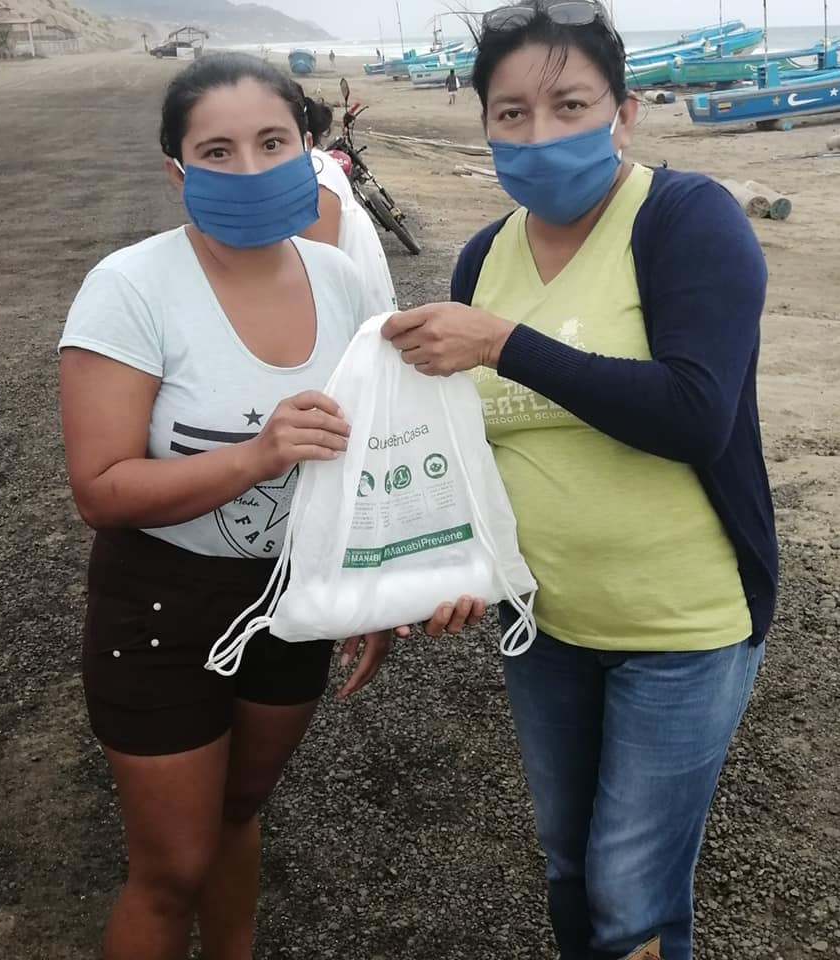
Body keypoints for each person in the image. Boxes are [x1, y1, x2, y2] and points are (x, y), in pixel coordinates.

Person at [59, 52, 483, 960]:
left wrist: (375, 589)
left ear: (307, 149)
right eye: (216, 151)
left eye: (271, 142)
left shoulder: (339, 279)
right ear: (177, 170)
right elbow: (100, 489)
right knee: (171, 867)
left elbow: (367, 454)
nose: (248, 168)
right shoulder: (129, 287)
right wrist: (256, 456)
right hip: (162, 602)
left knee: (240, 811)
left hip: (294, 598)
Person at [381, 3, 778, 959]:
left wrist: (506, 343)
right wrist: (442, 570)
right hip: (541, 623)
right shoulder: (484, 255)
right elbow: (468, 445)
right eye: (510, 113)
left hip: (680, 627)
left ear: (623, 114)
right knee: (567, 861)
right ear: (484, 125)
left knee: (632, 889)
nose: (538, 134)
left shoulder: (687, 218)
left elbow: (694, 413)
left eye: (569, 106)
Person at [296, 86, 398, 315]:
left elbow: (319, 279)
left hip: (347, 318)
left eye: (271, 143)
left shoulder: (316, 176)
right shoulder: (318, 165)